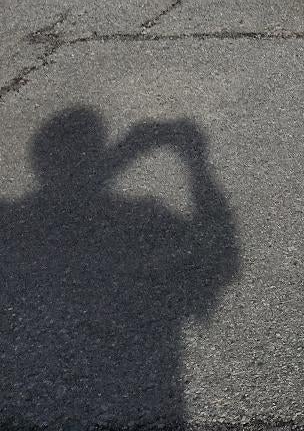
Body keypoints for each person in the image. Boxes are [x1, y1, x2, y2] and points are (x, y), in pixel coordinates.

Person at [0, 107, 239, 426]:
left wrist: (125, 152)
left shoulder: (17, 223)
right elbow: (221, 257)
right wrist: (195, 162)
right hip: (148, 404)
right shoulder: (143, 218)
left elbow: (65, 194)